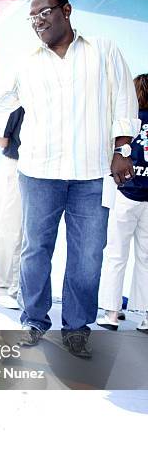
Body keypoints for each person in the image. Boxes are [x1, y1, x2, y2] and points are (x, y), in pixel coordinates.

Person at [0, 0, 140, 358]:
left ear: (67, 10)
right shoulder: (27, 62)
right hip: (39, 172)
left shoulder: (104, 50)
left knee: (88, 255)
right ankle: (34, 321)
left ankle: (77, 328)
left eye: (44, 13)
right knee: (35, 251)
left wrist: (122, 149)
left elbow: (124, 99)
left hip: (92, 174)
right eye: (32, 17)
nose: (37, 22)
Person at [97, 74, 148, 333]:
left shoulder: (127, 125)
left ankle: (111, 314)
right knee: (147, 259)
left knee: (116, 255)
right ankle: (147, 316)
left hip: (125, 194)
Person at [0, 107, 24, 309]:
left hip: (36, 169)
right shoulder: (17, 100)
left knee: (24, 232)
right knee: (10, 228)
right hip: (16, 163)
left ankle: (14, 287)